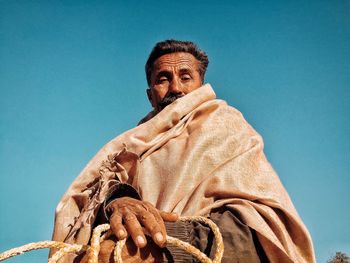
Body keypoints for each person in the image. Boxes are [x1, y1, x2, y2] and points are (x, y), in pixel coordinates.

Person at [51, 40, 316, 263]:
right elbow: (89, 201)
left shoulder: (226, 126)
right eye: (163, 79)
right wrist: (118, 200)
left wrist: (162, 244)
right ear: (150, 95)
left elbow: (261, 228)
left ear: (201, 87)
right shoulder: (126, 147)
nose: (176, 88)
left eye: (185, 77)